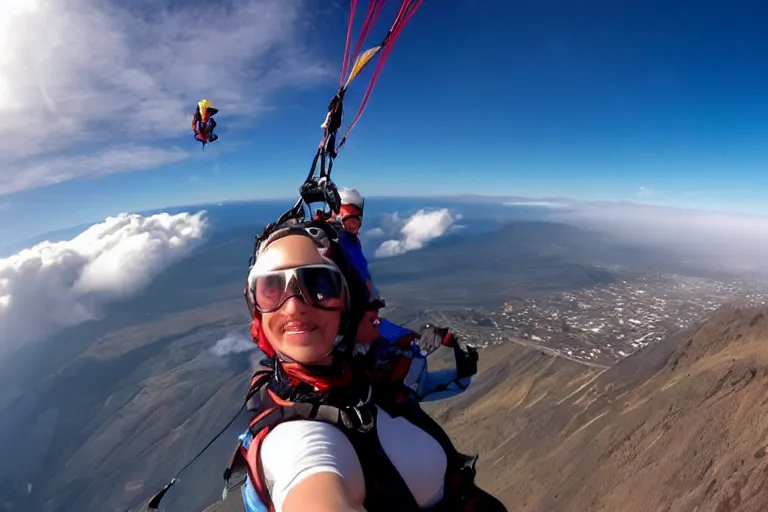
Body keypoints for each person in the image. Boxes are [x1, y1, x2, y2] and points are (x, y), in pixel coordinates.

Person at [225, 220, 505, 512]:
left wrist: (460, 358)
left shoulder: (366, 376)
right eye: (271, 287)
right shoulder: (296, 441)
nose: (293, 306)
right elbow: (313, 484)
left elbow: (428, 386)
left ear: (348, 305)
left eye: (319, 284)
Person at [333, 187, 477, 402]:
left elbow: (408, 347)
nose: (352, 227)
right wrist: (461, 370)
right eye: (347, 220)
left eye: (355, 221)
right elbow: (420, 378)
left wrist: (443, 346)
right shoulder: (348, 364)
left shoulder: (369, 326)